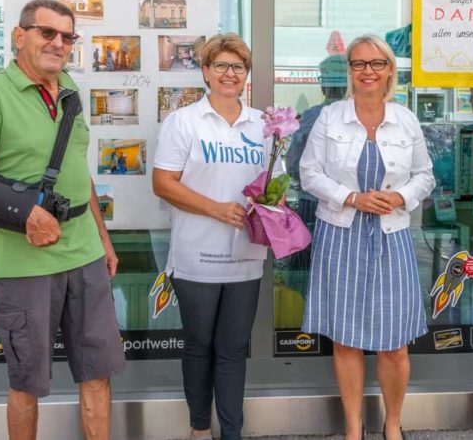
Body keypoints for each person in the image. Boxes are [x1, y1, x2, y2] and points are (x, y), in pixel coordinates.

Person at [0, 0, 126, 440]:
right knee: (27, 382)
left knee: (98, 373)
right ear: (20, 36)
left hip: (84, 253)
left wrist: (103, 240)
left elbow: (76, 169)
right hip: (24, 261)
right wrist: (25, 212)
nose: (58, 43)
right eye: (47, 33)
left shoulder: (69, 88)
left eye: (67, 36)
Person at [299, 34, 436, 440]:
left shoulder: (406, 119)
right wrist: (352, 197)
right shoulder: (329, 117)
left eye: (376, 64)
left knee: (394, 344)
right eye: (359, 64)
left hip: (392, 236)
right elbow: (309, 173)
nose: (367, 72)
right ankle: (353, 427)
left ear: (390, 70)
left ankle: (392, 425)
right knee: (346, 340)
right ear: (350, 71)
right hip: (341, 234)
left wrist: (399, 196)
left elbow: (425, 175)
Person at [152, 33, 280, 440]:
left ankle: (232, 431)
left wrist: (274, 207)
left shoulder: (264, 125)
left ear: (246, 75)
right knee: (199, 346)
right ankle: (199, 427)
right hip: (197, 257)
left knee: (232, 349)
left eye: (238, 67)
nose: (230, 74)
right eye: (221, 66)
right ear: (206, 71)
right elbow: (163, 183)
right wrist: (216, 209)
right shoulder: (184, 121)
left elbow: (273, 188)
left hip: (246, 256)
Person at [284, 53, 348, 284]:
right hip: (353, 205)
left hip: (313, 202)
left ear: (323, 85)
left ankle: (301, 312)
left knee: (307, 268)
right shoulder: (364, 115)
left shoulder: (312, 116)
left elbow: (293, 164)